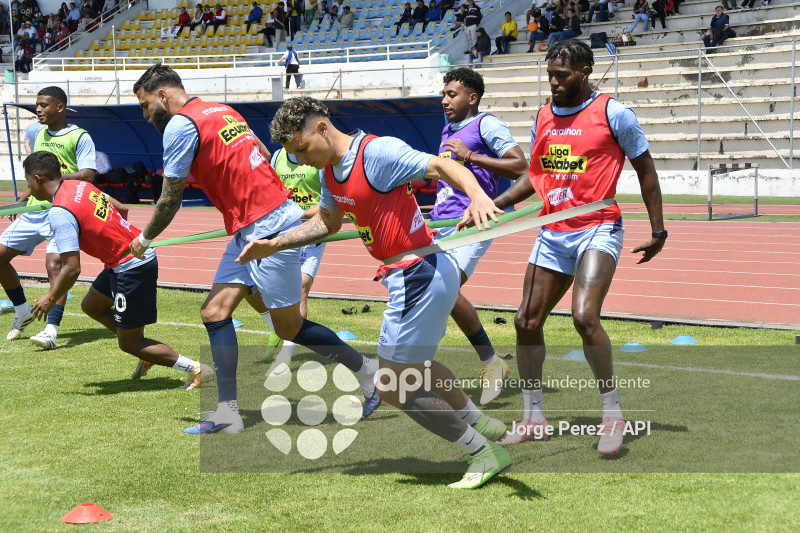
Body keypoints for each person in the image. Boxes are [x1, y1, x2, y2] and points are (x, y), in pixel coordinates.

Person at [239, 96, 511, 490]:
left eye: (300, 150)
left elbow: (440, 165)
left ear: (321, 128)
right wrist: (276, 243)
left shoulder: (377, 153)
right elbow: (327, 225)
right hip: (418, 273)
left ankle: (482, 451)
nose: (299, 161)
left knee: (393, 385)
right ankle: (479, 421)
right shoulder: (331, 172)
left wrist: (480, 195)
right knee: (417, 369)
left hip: (418, 271)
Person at [130, 64, 380, 434]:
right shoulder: (222, 110)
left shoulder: (182, 125)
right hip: (251, 225)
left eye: (146, 105)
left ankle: (368, 372)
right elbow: (262, 150)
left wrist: (145, 238)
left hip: (265, 227)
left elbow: (170, 199)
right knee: (215, 312)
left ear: (163, 96)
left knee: (290, 328)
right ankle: (229, 412)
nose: (146, 114)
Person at [473, 40, 666, 454]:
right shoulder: (543, 115)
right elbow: (535, 176)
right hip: (553, 232)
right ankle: (533, 418)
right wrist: (494, 205)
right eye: (550, 75)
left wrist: (658, 230)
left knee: (584, 317)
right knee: (525, 321)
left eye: (562, 75)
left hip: (598, 227)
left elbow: (646, 170)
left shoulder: (614, 113)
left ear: (585, 71)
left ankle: (613, 415)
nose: (554, 83)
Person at [22, 151, 215, 389]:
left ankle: (197, 369)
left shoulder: (60, 213)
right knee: (91, 306)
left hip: (130, 265)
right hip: (124, 258)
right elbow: (121, 209)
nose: (28, 187)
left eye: (28, 181)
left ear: (38, 178)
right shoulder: (78, 185)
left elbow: (71, 268)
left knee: (129, 343)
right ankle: (148, 354)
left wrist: (51, 298)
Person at [436, 67, 527, 404]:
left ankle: (490, 362)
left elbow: (520, 166)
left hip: (472, 222)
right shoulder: (448, 129)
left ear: (472, 98)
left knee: (442, 288)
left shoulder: (486, 124)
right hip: (441, 221)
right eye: (444, 94)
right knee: (435, 290)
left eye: (452, 94)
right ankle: (489, 363)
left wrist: (471, 155)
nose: (444, 100)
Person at [1, 86, 97, 349]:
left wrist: (55, 179)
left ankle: (51, 330)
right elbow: (36, 175)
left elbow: (88, 175)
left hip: (61, 211)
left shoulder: (80, 136)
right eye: (37, 105)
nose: (38, 110)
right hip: (34, 209)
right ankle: (21, 311)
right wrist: (21, 200)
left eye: (43, 105)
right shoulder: (39, 133)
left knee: (56, 265)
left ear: (60, 107)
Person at [255, 145, 327, 371]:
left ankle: (285, 356)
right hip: (282, 231)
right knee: (267, 290)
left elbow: (329, 200)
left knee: (301, 289)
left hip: (311, 231)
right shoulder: (277, 157)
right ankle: (276, 329)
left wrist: (303, 215)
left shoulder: (318, 158)